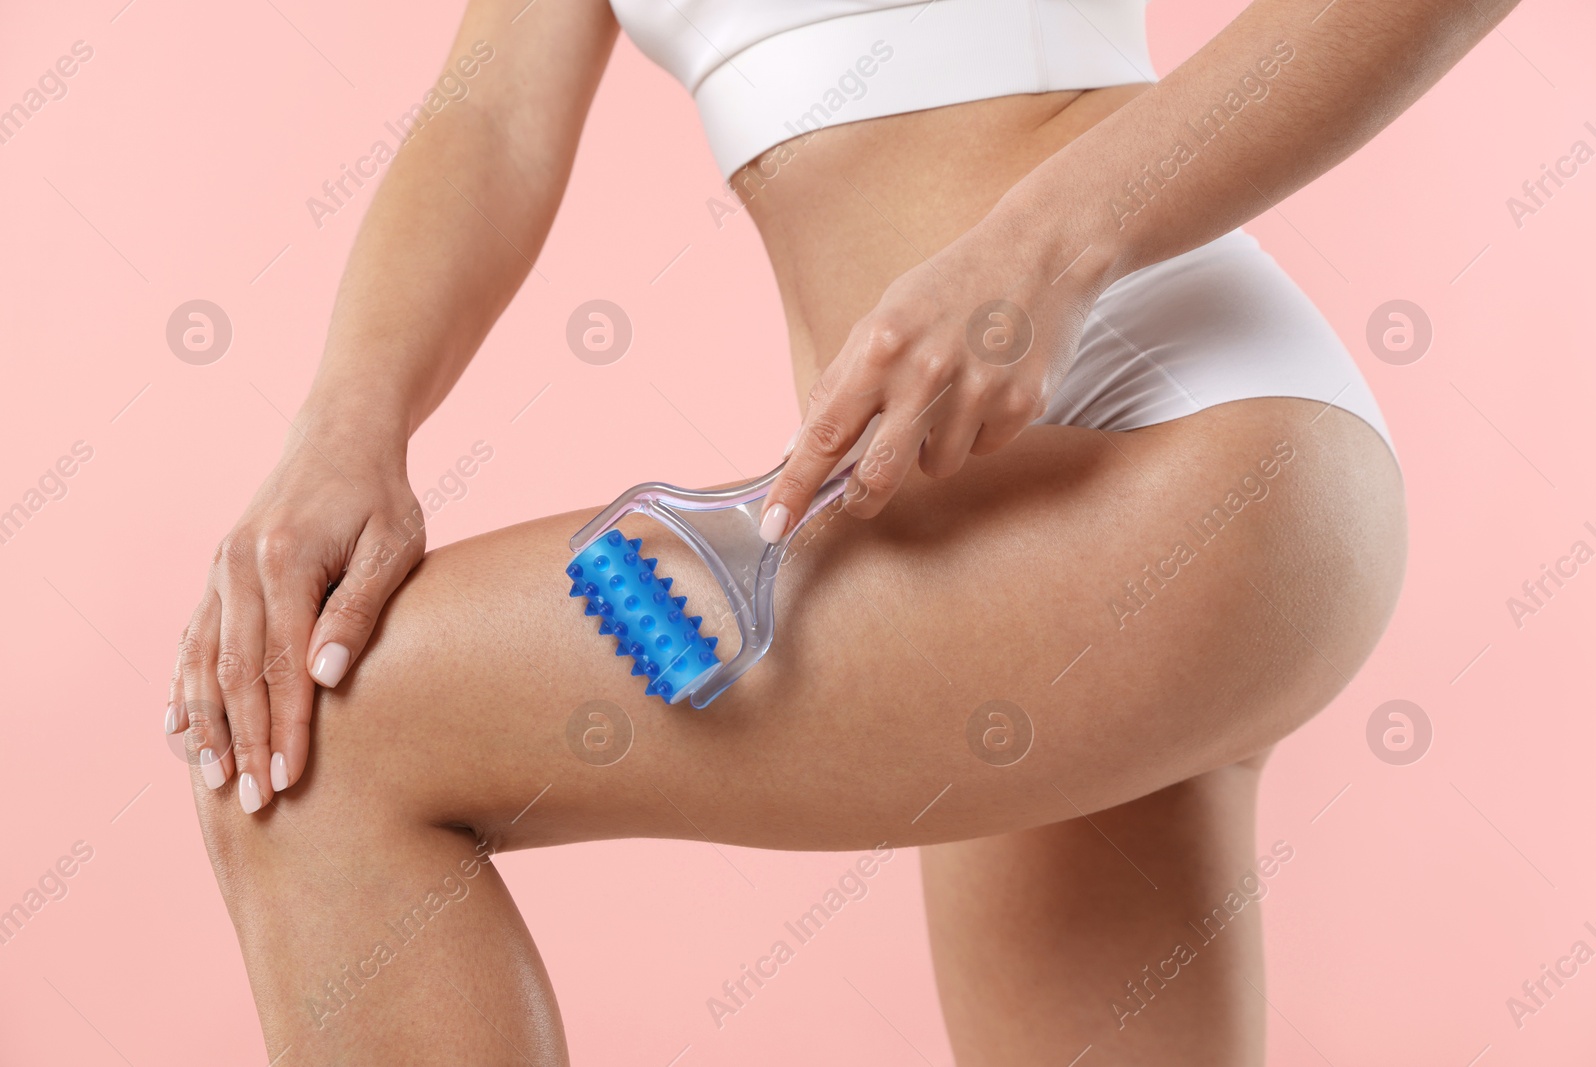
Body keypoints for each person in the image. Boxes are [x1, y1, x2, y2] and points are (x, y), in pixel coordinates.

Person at [168, 0, 1512, 1061]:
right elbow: (493, 113)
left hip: (1171, 441)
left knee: (324, 748)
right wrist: (349, 421)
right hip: (973, 517)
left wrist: (1053, 244)